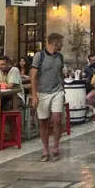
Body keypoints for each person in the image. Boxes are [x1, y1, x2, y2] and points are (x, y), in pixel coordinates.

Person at [30, 33, 66, 162]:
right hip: (42, 92)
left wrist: (63, 89)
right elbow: (33, 76)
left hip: (57, 91)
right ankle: (45, 149)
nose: (62, 45)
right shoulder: (39, 56)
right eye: (61, 42)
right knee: (43, 121)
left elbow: (60, 73)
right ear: (55, 43)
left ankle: (55, 147)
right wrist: (34, 95)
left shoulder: (60, 57)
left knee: (57, 119)